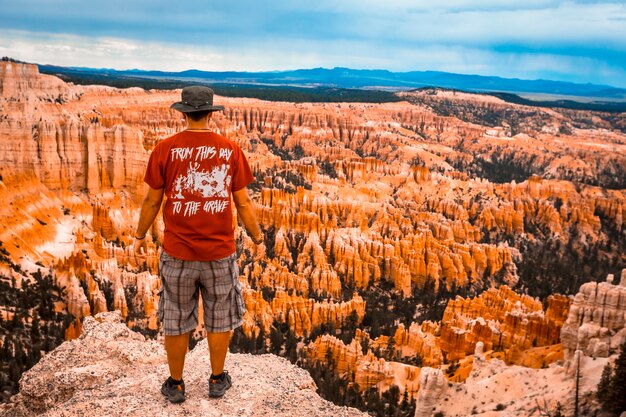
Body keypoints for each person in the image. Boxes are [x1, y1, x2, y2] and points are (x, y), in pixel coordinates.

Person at [133, 85, 263, 403]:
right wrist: (258, 237)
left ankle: (176, 384)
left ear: (183, 112)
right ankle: (217, 379)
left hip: (177, 252)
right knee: (220, 316)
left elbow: (152, 200)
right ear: (210, 112)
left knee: (176, 318)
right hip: (220, 253)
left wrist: (138, 235)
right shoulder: (230, 149)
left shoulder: (165, 148)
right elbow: (243, 203)